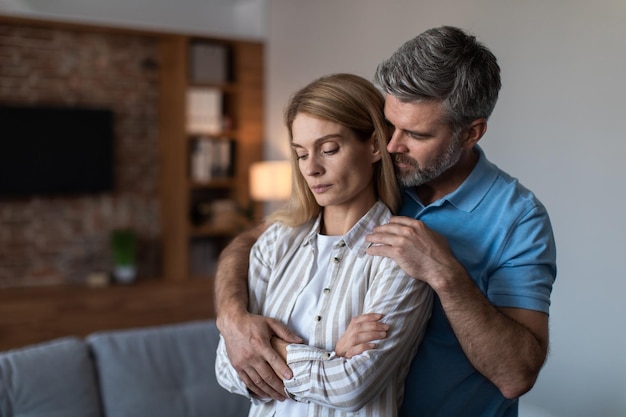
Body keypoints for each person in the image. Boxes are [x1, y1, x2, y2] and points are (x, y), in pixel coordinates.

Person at [215, 26, 557, 417]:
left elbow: (516, 375)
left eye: (415, 134)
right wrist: (232, 317)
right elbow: (253, 242)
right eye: (389, 124)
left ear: (471, 133)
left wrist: (445, 275)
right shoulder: (375, 179)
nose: (393, 145)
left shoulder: (518, 219)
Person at [214, 73, 433, 416]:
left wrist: (266, 350)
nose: (312, 168)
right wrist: (332, 357)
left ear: (374, 146)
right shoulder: (276, 242)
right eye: (301, 154)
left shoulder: (400, 253)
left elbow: (352, 386)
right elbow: (227, 371)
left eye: (329, 149)